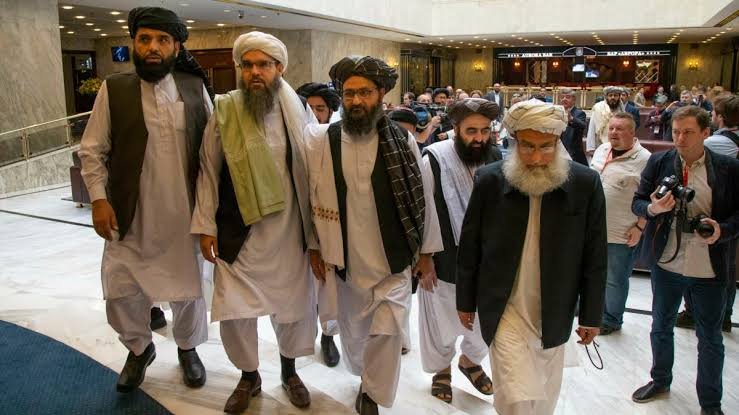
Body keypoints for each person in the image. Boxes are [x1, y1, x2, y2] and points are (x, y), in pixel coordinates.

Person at [78, 6, 211, 393]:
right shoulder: (115, 89)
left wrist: (212, 213)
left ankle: (188, 348)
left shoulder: (193, 87)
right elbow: (92, 149)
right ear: (133, 43)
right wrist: (99, 199)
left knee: (189, 290)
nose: (153, 47)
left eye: (162, 40)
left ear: (176, 47)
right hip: (129, 213)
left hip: (184, 215)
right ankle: (139, 349)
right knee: (121, 292)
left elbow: (212, 154)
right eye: (145, 39)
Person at [305, 55, 442, 415]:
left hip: (392, 259)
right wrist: (314, 246)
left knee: (388, 331)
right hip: (345, 257)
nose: (356, 101)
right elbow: (311, 196)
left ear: (381, 94)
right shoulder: (324, 140)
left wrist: (426, 252)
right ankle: (364, 376)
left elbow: (422, 197)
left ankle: (372, 394)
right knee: (355, 333)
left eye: (364, 92)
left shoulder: (401, 139)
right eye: (349, 93)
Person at [190, 32, 317, 412]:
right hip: (238, 232)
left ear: (280, 68)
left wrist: (319, 237)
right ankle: (249, 376)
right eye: (247, 65)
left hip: (290, 233)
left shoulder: (299, 111)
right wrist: (205, 225)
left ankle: (290, 372)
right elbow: (208, 170)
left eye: (264, 64)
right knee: (235, 313)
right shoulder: (225, 110)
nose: (255, 72)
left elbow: (316, 172)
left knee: (292, 310)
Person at [457, 98, 607, 415]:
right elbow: (470, 245)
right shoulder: (490, 180)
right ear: (514, 140)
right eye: (527, 146)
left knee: (543, 394)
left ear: (558, 141)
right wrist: (465, 300)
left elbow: (595, 256)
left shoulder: (585, 183)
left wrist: (591, 314)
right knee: (514, 393)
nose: (536, 158)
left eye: (546, 146)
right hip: (503, 306)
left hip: (553, 309)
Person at [631, 106, 739, 415]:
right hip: (667, 261)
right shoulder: (660, 162)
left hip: (709, 265)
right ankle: (660, 380)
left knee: (710, 337)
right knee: (661, 325)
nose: (680, 139)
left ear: (706, 132)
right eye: (676, 132)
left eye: (688, 132)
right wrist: (653, 209)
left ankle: (710, 403)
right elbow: (638, 202)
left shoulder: (729, 168)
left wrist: (722, 230)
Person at [419, 98, 500, 403]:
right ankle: (442, 370)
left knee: (482, 319)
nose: (479, 138)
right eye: (471, 131)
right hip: (444, 256)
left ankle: (470, 361)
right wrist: (424, 257)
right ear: (456, 129)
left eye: (485, 131)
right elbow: (424, 210)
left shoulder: (496, 156)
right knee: (441, 317)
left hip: (486, 257)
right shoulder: (434, 158)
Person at [675, 94, 739, 333]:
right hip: (729, 215)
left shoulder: (715, 144)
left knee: (705, 267)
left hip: (711, 212)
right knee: (728, 266)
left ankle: (694, 312)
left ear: (719, 118)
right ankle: (725, 315)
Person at [590, 112, 651, 335]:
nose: (614, 132)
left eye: (620, 129)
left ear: (633, 132)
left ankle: (612, 319)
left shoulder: (645, 159)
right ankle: (590, 310)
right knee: (591, 273)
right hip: (593, 228)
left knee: (615, 279)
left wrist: (640, 227)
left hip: (621, 231)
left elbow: (650, 198)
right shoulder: (602, 150)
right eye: (612, 128)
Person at [587, 86, 625, 155]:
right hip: (600, 144)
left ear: (619, 97)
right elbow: (592, 128)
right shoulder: (598, 108)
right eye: (610, 95)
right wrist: (591, 148)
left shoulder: (621, 110)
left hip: (617, 146)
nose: (613, 97)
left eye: (615, 95)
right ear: (606, 97)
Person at [558, 88, 588, 165]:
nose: (564, 99)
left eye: (567, 97)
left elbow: (582, 126)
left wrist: (571, 118)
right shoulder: (557, 113)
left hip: (573, 153)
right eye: (562, 97)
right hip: (559, 151)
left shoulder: (579, 113)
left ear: (574, 100)